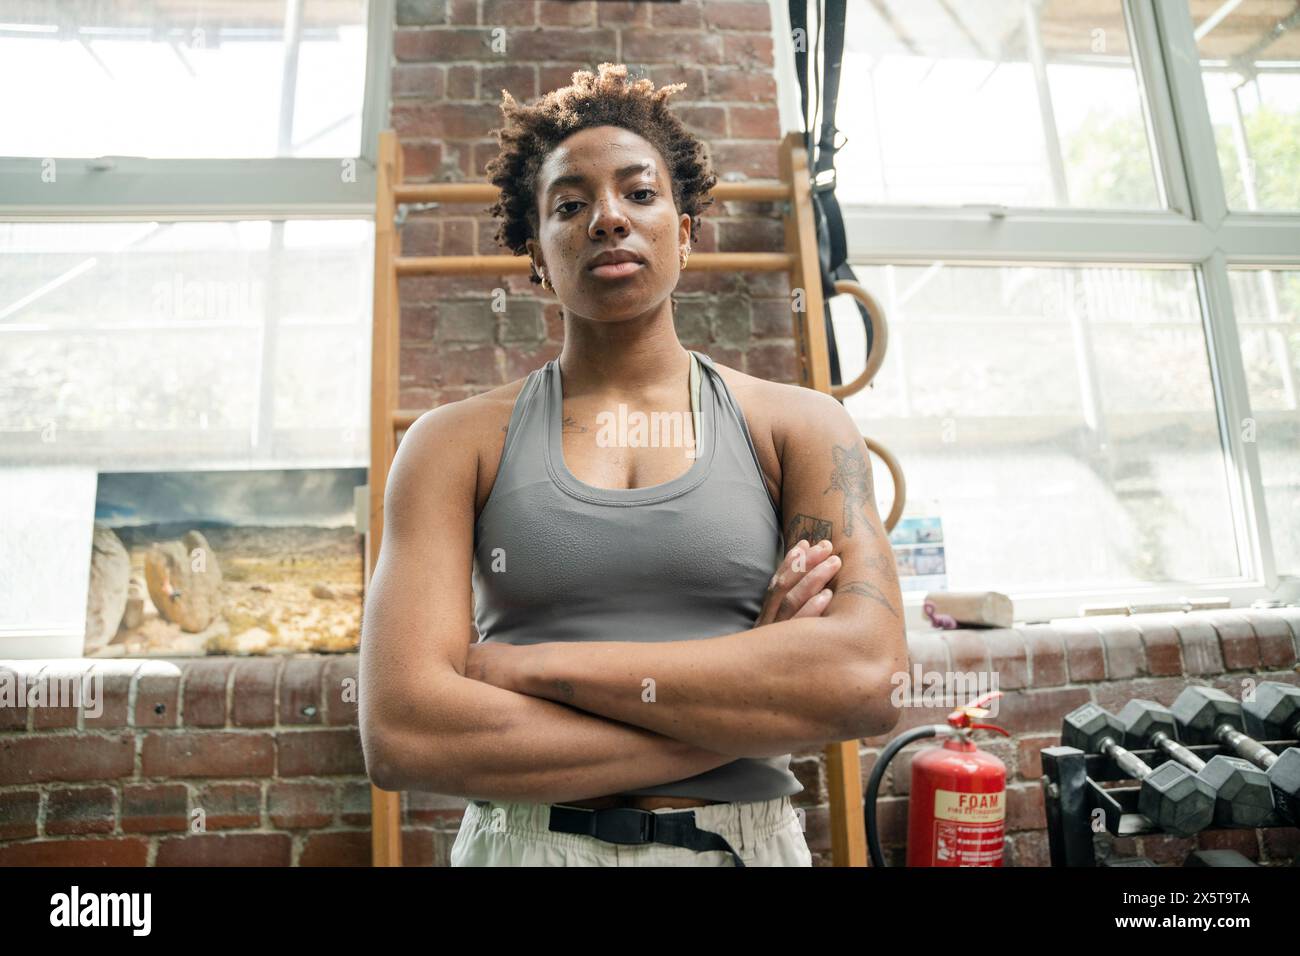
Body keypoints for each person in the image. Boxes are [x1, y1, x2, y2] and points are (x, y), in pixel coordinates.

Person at [359, 63, 908, 866]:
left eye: (640, 194)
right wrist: (752, 701)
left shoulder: (803, 425)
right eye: (570, 205)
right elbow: (404, 732)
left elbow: (866, 678)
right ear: (537, 256)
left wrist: (528, 669)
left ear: (685, 231)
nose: (608, 218)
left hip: (739, 848)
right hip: (525, 846)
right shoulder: (451, 444)